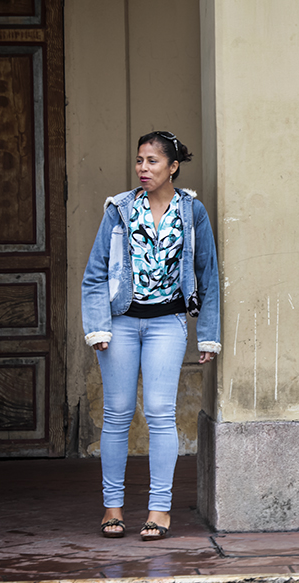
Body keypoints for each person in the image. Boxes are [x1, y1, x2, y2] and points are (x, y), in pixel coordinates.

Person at [82, 131, 221, 540]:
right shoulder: (120, 210)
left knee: (161, 414)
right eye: (140, 161)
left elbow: (208, 276)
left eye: (153, 161)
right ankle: (112, 507)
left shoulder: (192, 212)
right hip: (121, 323)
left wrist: (207, 334)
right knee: (117, 414)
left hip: (168, 324)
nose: (143, 168)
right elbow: (94, 275)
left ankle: (159, 509)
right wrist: (98, 326)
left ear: (173, 166)